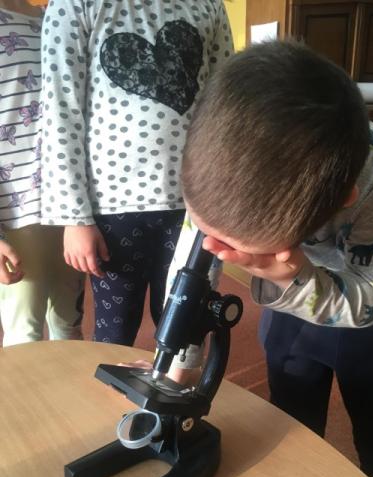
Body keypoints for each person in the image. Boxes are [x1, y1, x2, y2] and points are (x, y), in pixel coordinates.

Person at [177, 40, 373, 477]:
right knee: (291, 414)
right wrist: (180, 363)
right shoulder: (215, 165)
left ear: (342, 200)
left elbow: (370, 299)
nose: (220, 247)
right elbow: (191, 270)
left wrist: (289, 277)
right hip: (289, 298)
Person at [40, 0, 233, 346]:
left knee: (185, 332)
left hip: (195, 205)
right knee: (114, 334)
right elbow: (60, 109)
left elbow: (225, 103)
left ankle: (176, 382)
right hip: (112, 208)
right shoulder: (75, 4)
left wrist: (225, 198)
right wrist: (74, 217)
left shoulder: (207, 6)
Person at [0, 0, 84, 346]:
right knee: (25, 335)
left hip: (69, 204)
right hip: (15, 211)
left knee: (69, 325)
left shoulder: (61, 16)